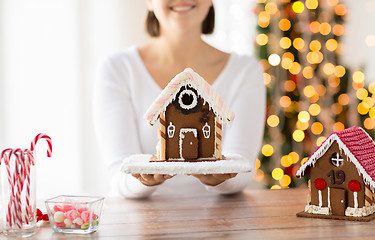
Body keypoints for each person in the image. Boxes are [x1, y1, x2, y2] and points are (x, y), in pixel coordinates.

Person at [93, 0, 265, 198]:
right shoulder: (118, 68)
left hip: (221, 222)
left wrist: (222, 177)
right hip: (140, 222)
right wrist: (143, 178)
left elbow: (243, 166)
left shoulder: (245, 71)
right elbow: (119, 173)